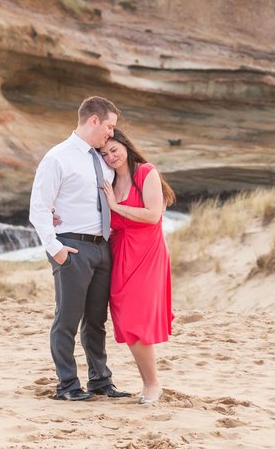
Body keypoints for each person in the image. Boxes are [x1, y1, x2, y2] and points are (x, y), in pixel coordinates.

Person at [29, 96, 132, 402]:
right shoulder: (58, 157)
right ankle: (68, 386)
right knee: (67, 319)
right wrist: (56, 249)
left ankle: (100, 381)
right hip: (72, 247)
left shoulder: (102, 159)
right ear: (93, 120)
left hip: (102, 247)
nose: (111, 134)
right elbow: (39, 209)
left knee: (96, 319)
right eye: (109, 126)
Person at [98, 128, 176, 405]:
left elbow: (153, 215)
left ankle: (153, 384)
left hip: (147, 251)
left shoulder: (146, 172)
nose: (111, 157)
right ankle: (148, 381)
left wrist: (115, 206)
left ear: (126, 147)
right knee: (125, 320)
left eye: (114, 150)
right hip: (119, 253)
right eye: (104, 154)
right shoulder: (107, 179)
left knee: (136, 318)